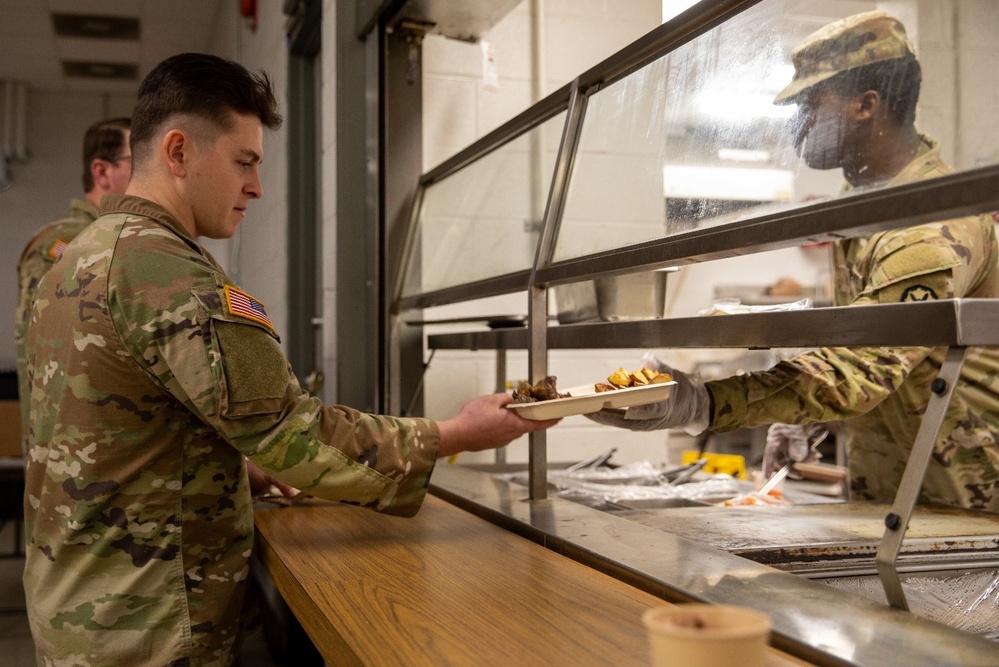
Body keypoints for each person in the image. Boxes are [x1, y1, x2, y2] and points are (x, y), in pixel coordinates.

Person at [22, 53, 558, 666]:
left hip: (81, 607)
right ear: (178, 152)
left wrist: (219, 464)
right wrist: (458, 432)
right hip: (148, 626)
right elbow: (291, 434)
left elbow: (102, 426)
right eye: (244, 162)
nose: (257, 187)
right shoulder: (165, 271)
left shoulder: (78, 256)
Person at [590, 11, 999, 512]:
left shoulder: (929, 224)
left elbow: (866, 368)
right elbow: (897, 351)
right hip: (894, 494)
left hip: (970, 497)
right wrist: (817, 413)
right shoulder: (864, 207)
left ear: (865, 106)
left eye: (810, 102)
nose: (798, 123)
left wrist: (705, 402)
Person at [14, 117, 132, 454]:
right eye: (137, 162)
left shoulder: (117, 238)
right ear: (102, 172)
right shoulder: (65, 242)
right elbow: (52, 349)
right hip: (69, 452)